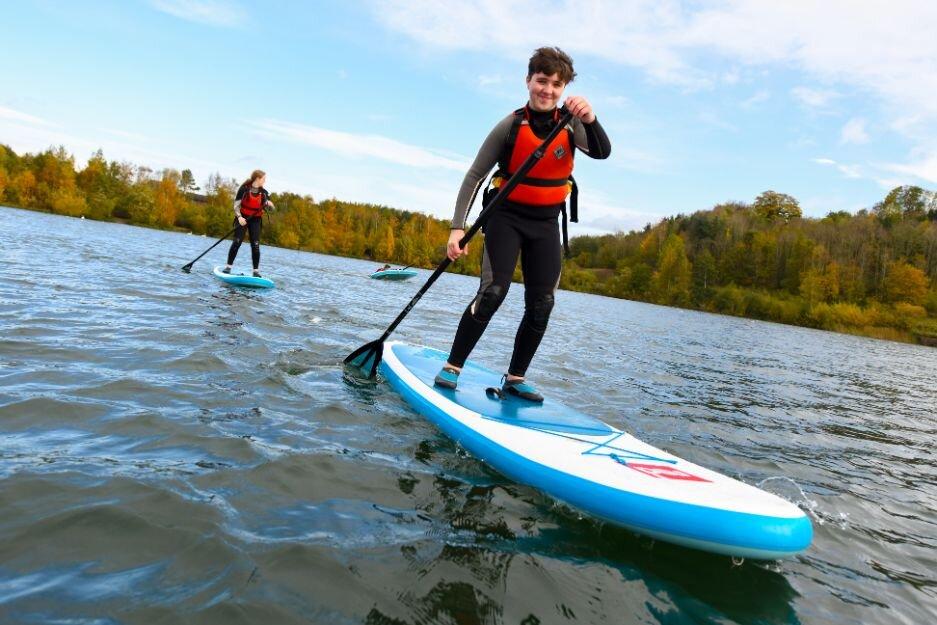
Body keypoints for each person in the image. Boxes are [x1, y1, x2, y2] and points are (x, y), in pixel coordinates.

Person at [434, 46, 611, 402]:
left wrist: (591, 119)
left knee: (542, 303)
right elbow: (474, 177)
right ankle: (453, 366)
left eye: (555, 84)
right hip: (506, 219)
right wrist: (457, 227)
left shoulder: (571, 123)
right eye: (541, 81)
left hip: (546, 225)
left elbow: (602, 151)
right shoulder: (510, 126)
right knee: (493, 293)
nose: (547, 90)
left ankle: (515, 378)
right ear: (528, 81)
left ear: (563, 89)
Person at [223, 170, 275, 277]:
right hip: (242, 218)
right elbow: (236, 206)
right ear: (257, 179)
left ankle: (256, 272)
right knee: (237, 242)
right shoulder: (244, 189)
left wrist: (269, 204)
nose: (264, 181)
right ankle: (228, 267)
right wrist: (239, 217)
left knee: (255, 245)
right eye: (263, 179)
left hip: (255, 220)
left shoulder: (264, 193)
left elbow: (272, 207)